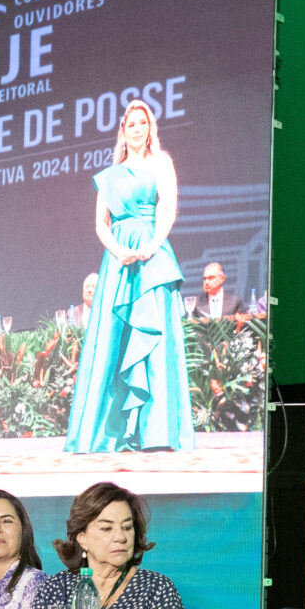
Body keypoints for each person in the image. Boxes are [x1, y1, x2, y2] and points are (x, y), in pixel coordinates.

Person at [66, 100, 194, 453]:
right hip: (119, 262)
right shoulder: (110, 176)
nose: (138, 129)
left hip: (153, 257)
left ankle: (156, 432)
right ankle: (111, 433)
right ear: (123, 131)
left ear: (150, 128)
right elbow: (100, 224)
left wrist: (153, 245)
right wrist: (117, 251)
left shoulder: (161, 164)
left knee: (153, 341)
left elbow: (168, 209)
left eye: (143, 123)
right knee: (114, 342)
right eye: (131, 124)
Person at [22, 482, 189, 609]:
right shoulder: (56, 588)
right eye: (107, 528)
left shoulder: (157, 589)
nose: (120, 537)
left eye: (127, 527)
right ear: (82, 539)